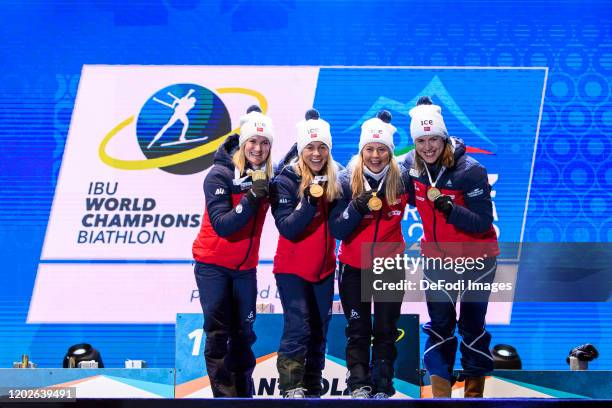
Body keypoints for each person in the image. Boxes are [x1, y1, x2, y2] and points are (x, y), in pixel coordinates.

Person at [403, 96, 500, 398]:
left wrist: (449, 209)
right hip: (437, 260)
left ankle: (473, 398)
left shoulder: (470, 170)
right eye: (421, 140)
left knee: (472, 327)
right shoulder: (410, 166)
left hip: (477, 260)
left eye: (433, 139)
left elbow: (482, 222)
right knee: (440, 326)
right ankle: (440, 398)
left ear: (444, 139)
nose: (428, 147)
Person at [192, 105, 274, 398]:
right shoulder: (219, 175)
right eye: (253, 141)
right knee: (219, 334)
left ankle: (244, 396)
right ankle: (224, 400)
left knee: (245, 335)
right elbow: (223, 225)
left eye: (265, 143)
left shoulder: (266, 176)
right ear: (242, 142)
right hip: (212, 266)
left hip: (245, 269)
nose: (258, 148)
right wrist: (252, 197)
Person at [330, 110, 410, 399]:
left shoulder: (402, 179)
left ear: (390, 152)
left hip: (390, 265)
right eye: (369, 149)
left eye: (381, 149)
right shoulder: (344, 179)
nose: (375, 156)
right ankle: (359, 385)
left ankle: (383, 385)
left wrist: (454, 148)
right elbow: (337, 229)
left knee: (387, 329)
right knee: (358, 328)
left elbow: (432, 163)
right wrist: (356, 208)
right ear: (361, 150)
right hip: (354, 266)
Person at [270, 109, 342, 398]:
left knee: (319, 329)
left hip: (324, 268)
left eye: (322, 147)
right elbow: (288, 229)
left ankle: (312, 386)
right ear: (301, 149)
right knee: (298, 326)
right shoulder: (285, 180)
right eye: (310, 147)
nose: (316, 153)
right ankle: (290, 387)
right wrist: (310, 202)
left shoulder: (336, 178)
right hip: (291, 269)